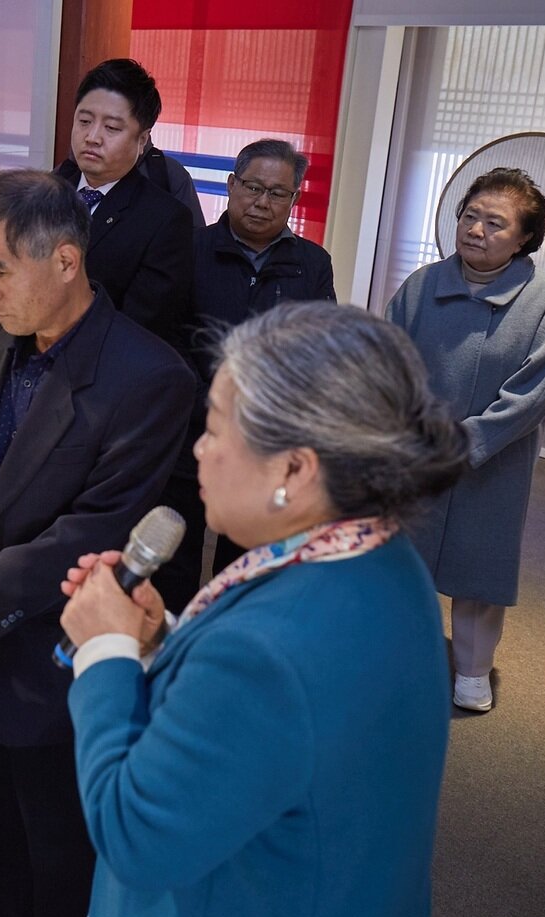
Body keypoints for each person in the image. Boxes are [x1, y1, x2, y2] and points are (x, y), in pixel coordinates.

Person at [59, 302, 467, 917]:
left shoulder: (268, 651)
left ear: (294, 469)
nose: (198, 448)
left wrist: (105, 653)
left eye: (216, 429)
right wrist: (157, 640)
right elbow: (276, 736)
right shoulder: (381, 556)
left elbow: (137, 835)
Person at [0, 169, 195, 917]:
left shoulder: (149, 378)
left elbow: (92, 531)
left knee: (54, 867)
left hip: (56, 663)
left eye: (0, 270)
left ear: (66, 261)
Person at [387, 167, 545, 712]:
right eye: (471, 215)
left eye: (496, 223)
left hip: (495, 459)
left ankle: (473, 670)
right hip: (417, 451)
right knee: (405, 559)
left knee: (479, 567)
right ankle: (403, 655)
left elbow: (537, 388)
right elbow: (387, 359)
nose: (476, 230)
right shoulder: (422, 283)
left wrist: (467, 442)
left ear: (524, 238)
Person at [156, 138, 337, 612]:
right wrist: (213, 401)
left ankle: (227, 652)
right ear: (232, 185)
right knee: (175, 548)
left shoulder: (312, 264)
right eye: (252, 187)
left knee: (249, 557)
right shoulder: (188, 249)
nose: (262, 202)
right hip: (187, 425)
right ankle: (169, 647)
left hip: (265, 434)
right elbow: (165, 333)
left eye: (278, 193)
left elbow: (314, 348)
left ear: (294, 199)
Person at [54, 58, 194, 347]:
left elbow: (142, 325)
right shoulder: (47, 190)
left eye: (112, 128)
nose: (92, 137)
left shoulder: (165, 220)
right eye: (84, 121)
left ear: (142, 140)